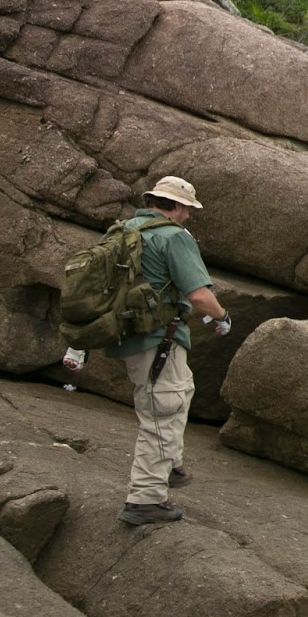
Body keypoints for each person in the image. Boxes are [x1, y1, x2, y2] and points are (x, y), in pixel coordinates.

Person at [109, 175, 230, 526]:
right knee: (161, 411)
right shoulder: (173, 237)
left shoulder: (124, 230)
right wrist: (223, 316)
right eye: (188, 209)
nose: (189, 216)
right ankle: (145, 499)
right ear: (175, 206)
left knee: (180, 390)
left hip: (128, 334)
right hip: (158, 337)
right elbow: (199, 295)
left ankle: (172, 464)